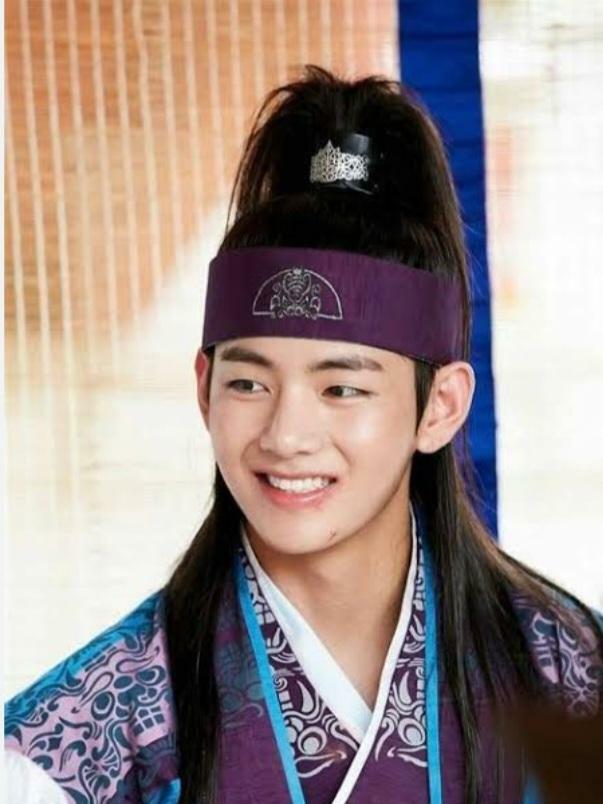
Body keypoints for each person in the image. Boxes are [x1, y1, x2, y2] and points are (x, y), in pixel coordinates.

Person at [4, 65, 602, 804]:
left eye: (340, 388)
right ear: (203, 388)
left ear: (440, 407)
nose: (286, 435)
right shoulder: (83, 738)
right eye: (249, 383)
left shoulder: (570, 677)